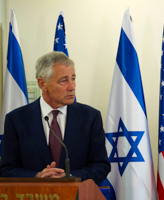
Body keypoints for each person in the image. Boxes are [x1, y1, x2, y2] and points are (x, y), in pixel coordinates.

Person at [0, 51, 111, 183]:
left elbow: (101, 166)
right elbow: (7, 169)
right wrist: (36, 177)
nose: (72, 87)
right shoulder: (16, 119)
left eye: (73, 79)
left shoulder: (90, 117)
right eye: (63, 81)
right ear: (42, 84)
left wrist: (67, 178)